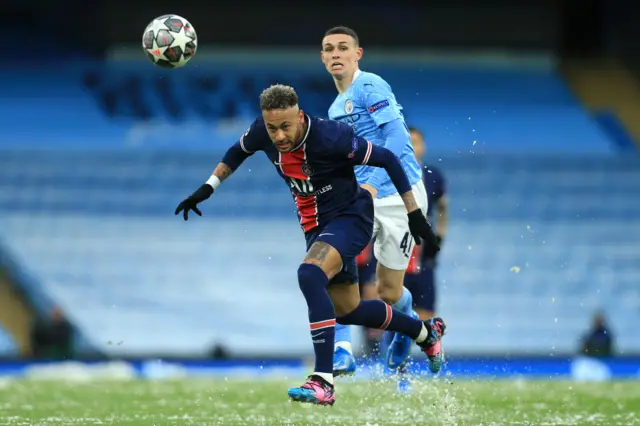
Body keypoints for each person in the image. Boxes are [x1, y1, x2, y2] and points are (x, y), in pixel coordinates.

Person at [175, 84, 445, 406]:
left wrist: (414, 213)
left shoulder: (331, 137)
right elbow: (237, 152)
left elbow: (387, 158)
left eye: (285, 126)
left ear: (300, 116)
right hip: (316, 229)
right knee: (348, 311)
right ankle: (425, 333)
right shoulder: (263, 130)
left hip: (351, 219)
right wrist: (208, 187)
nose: (278, 136)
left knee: (309, 274)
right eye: (272, 128)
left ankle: (323, 380)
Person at [321, 26, 438, 374]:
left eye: (344, 48)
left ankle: (410, 325)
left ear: (358, 54)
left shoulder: (370, 86)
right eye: (330, 49)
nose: (336, 53)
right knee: (329, 265)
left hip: (401, 197)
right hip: (363, 200)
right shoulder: (334, 108)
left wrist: (370, 183)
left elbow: (399, 140)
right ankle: (341, 351)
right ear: (323, 57)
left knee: (389, 292)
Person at [404, 127, 448, 322]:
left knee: (426, 315)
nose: (412, 148)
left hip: (422, 254)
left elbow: (443, 208)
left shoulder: (432, 175)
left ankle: (429, 350)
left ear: (423, 147)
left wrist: (439, 235)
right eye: (408, 143)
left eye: (416, 143)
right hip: (397, 251)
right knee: (393, 314)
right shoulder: (386, 174)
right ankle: (387, 352)